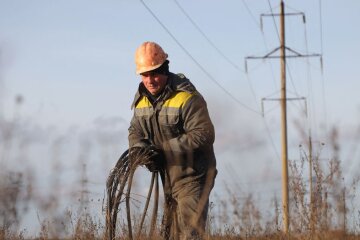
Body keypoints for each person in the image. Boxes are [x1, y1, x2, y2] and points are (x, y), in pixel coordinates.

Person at [128, 41, 217, 240]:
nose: (150, 80)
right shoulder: (141, 99)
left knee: (189, 234)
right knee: (171, 235)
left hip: (194, 176)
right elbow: (135, 131)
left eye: (154, 73)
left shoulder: (187, 97)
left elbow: (203, 133)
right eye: (145, 75)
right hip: (168, 177)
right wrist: (140, 150)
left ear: (165, 69)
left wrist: (163, 150)